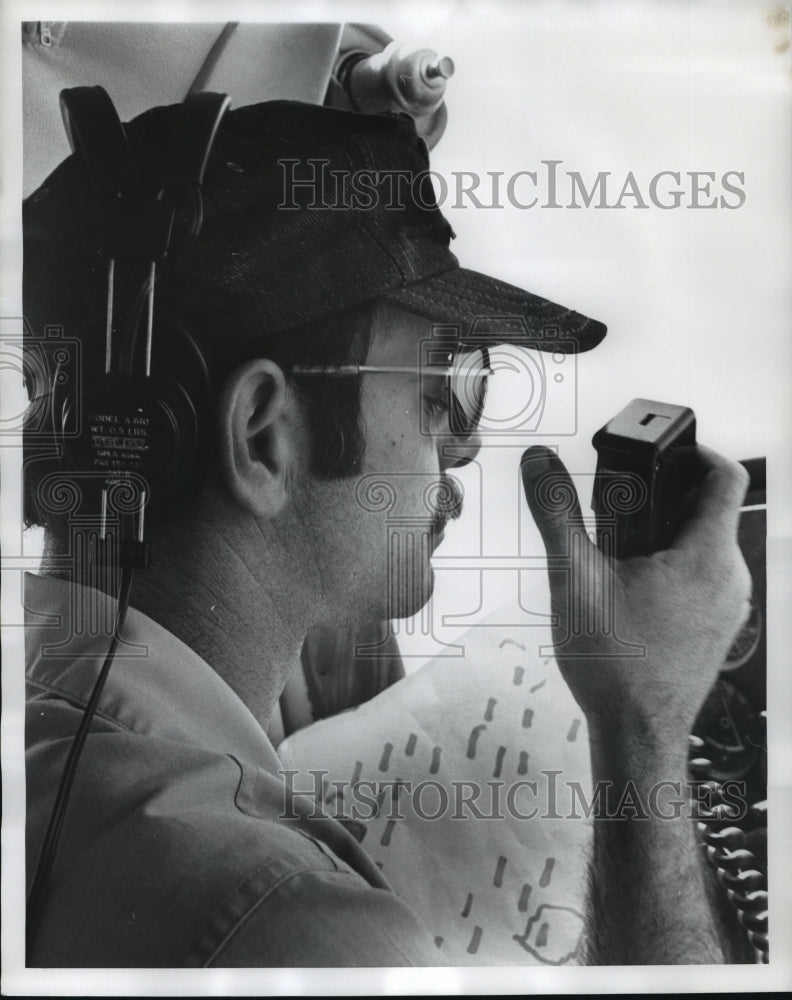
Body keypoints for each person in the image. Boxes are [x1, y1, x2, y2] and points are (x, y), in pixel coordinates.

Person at [22, 98, 751, 966]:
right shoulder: (297, 926)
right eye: (442, 379)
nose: (464, 447)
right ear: (263, 434)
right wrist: (645, 725)